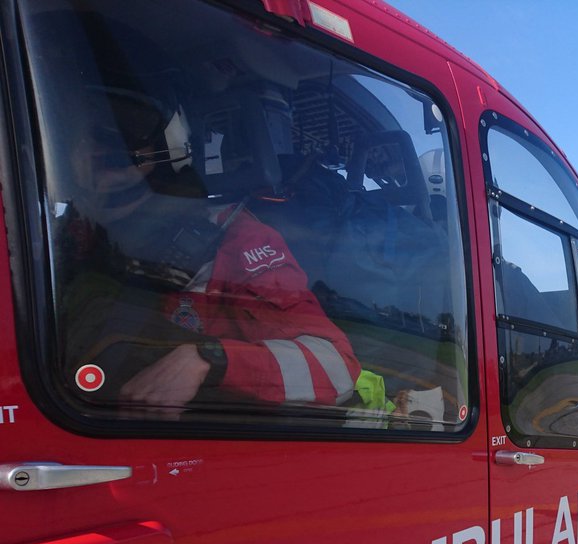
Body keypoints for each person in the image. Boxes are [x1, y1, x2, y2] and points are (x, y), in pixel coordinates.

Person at [55, 44, 359, 418]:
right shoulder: (54, 235)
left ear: (167, 141)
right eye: (77, 130)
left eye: (121, 126)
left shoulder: (234, 238)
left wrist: (209, 359)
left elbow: (336, 367)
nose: (96, 147)